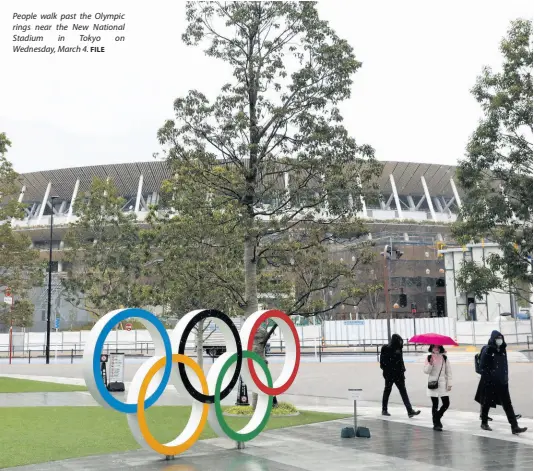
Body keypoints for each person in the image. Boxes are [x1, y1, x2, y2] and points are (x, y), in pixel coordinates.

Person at [475, 330, 527, 435]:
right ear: (493, 339)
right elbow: (482, 367)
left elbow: (505, 365)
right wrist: (490, 376)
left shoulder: (503, 350)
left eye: (501, 338)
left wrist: (505, 377)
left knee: (507, 404)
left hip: (502, 382)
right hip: (490, 382)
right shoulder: (488, 350)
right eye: (497, 338)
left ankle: (514, 426)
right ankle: (484, 422)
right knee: (486, 402)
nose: (499, 340)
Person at [380, 333, 421, 418]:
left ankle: (409, 410)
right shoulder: (389, 349)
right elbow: (384, 363)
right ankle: (385, 410)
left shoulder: (395, 349)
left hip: (395, 375)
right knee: (393, 392)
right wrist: (389, 371)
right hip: (393, 374)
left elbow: (397, 363)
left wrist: (400, 372)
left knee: (396, 392)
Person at [424, 345, 452, 431]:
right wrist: (430, 364)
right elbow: (426, 371)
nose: (436, 348)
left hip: (443, 384)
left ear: (440, 347)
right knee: (435, 404)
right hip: (433, 384)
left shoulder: (444, 358)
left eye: (437, 346)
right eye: (434, 346)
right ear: (431, 347)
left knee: (446, 403)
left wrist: (449, 384)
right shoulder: (429, 357)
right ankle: (436, 424)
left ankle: (437, 418)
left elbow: (449, 372)